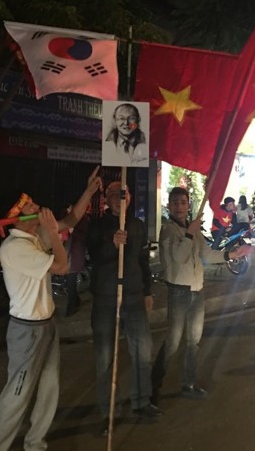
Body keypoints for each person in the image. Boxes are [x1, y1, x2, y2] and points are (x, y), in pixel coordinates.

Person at [0, 168, 101, 451]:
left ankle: (36, 443)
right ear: (17, 217)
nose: (38, 207)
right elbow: (62, 267)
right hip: (27, 331)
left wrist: (88, 192)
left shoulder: (34, 237)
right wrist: (51, 232)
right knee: (18, 393)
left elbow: (71, 219)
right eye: (31, 207)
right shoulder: (14, 247)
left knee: (49, 388)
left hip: (46, 325)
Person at [151, 187, 253, 405]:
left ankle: (188, 384)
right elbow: (179, 258)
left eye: (183, 202)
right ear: (170, 206)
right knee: (173, 342)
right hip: (178, 291)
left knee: (193, 342)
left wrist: (234, 254)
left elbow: (207, 255)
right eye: (175, 202)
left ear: (189, 205)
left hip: (197, 290)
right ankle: (153, 388)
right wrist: (189, 233)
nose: (179, 206)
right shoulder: (168, 231)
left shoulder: (193, 230)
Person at [86, 181, 160, 434]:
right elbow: (92, 257)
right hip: (106, 297)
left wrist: (147, 291)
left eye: (124, 194)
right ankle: (109, 412)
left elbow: (143, 260)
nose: (120, 198)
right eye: (115, 194)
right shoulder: (97, 225)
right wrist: (111, 244)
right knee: (106, 357)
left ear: (130, 199)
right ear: (106, 199)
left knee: (142, 351)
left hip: (134, 296)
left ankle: (142, 401)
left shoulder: (136, 225)